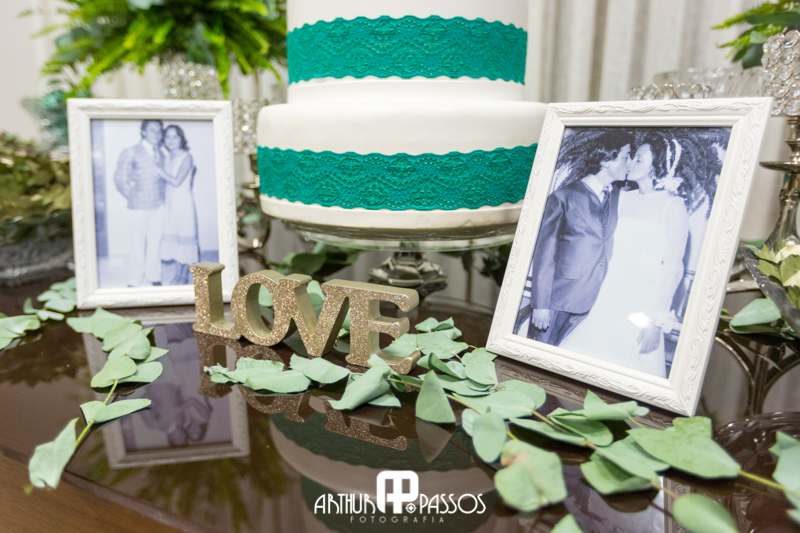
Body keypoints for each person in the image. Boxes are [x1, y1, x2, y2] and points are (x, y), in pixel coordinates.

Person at [560, 131, 690, 378]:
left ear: (657, 166)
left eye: (639, 159)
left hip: (642, 302)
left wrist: (655, 322)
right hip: (609, 295)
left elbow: (673, 267)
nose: (630, 163)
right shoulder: (622, 198)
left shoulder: (673, 206)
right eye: (632, 157)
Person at [522, 129, 633, 346]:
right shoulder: (562, 198)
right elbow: (544, 255)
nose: (629, 163)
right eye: (626, 156)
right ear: (606, 161)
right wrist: (541, 305)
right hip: (557, 300)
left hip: (594, 304)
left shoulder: (616, 196)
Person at [113, 120, 167, 287]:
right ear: (143, 132)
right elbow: (120, 179)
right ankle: (134, 280)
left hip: (158, 206)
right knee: (137, 244)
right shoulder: (131, 152)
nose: (156, 134)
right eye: (152, 130)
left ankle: (154, 276)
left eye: (159, 131)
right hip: (138, 207)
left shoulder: (161, 153)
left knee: (155, 242)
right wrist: (133, 196)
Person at [155, 125, 199, 285]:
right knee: (174, 240)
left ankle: (183, 276)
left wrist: (158, 170)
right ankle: (176, 273)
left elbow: (176, 181)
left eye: (175, 137)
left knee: (184, 238)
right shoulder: (167, 158)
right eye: (168, 137)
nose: (171, 140)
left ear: (181, 139)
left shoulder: (187, 157)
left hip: (183, 203)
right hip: (170, 203)